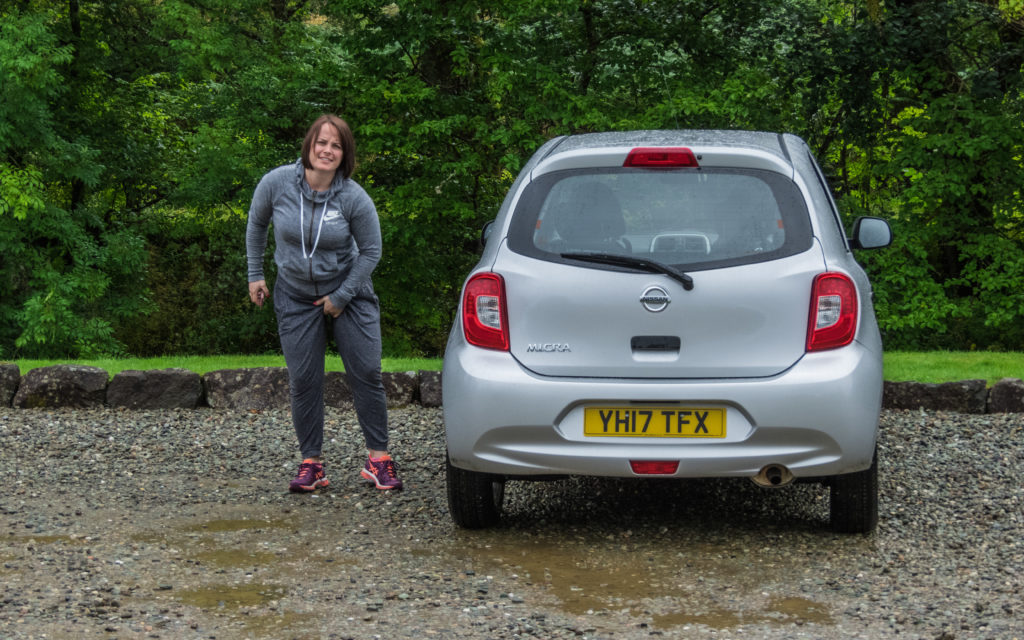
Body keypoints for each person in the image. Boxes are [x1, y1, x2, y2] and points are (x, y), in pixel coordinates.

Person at [245, 114, 402, 492]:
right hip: (295, 293)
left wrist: (343, 295)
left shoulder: (353, 197)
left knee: (366, 371)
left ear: (344, 154)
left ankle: (378, 458)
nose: (327, 150)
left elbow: (372, 251)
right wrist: (255, 273)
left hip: (350, 291)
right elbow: (256, 224)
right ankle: (311, 464)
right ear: (308, 145)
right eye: (321, 142)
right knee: (303, 379)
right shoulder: (277, 183)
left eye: (336, 145)